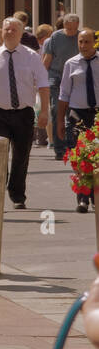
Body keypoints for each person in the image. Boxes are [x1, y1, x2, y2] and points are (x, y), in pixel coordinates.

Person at [0, 17, 50, 210]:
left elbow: (43, 85)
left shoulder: (32, 56)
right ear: (0, 32)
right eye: (6, 29)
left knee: (21, 156)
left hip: (24, 113)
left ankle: (17, 195)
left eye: (14, 29)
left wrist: (44, 111)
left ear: (21, 33)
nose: (10, 32)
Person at [57, 28, 99, 213]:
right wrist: (59, 121)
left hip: (97, 114)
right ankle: (82, 198)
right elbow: (64, 93)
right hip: (77, 115)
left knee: (96, 158)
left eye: (86, 42)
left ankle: (95, 196)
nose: (83, 45)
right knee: (80, 158)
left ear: (94, 43)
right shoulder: (71, 64)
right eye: (80, 42)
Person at [43, 14, 81, 162]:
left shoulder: (81, 37)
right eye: (67, 28)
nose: (70, 31)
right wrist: (40, 80)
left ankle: (71, 145)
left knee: (73, 111)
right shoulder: (55, 37)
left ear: (77, 25)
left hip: (74, 76)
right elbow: (47, 60)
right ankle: (59, 149)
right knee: (57, 109)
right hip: (56, 76)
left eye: (73, 28)